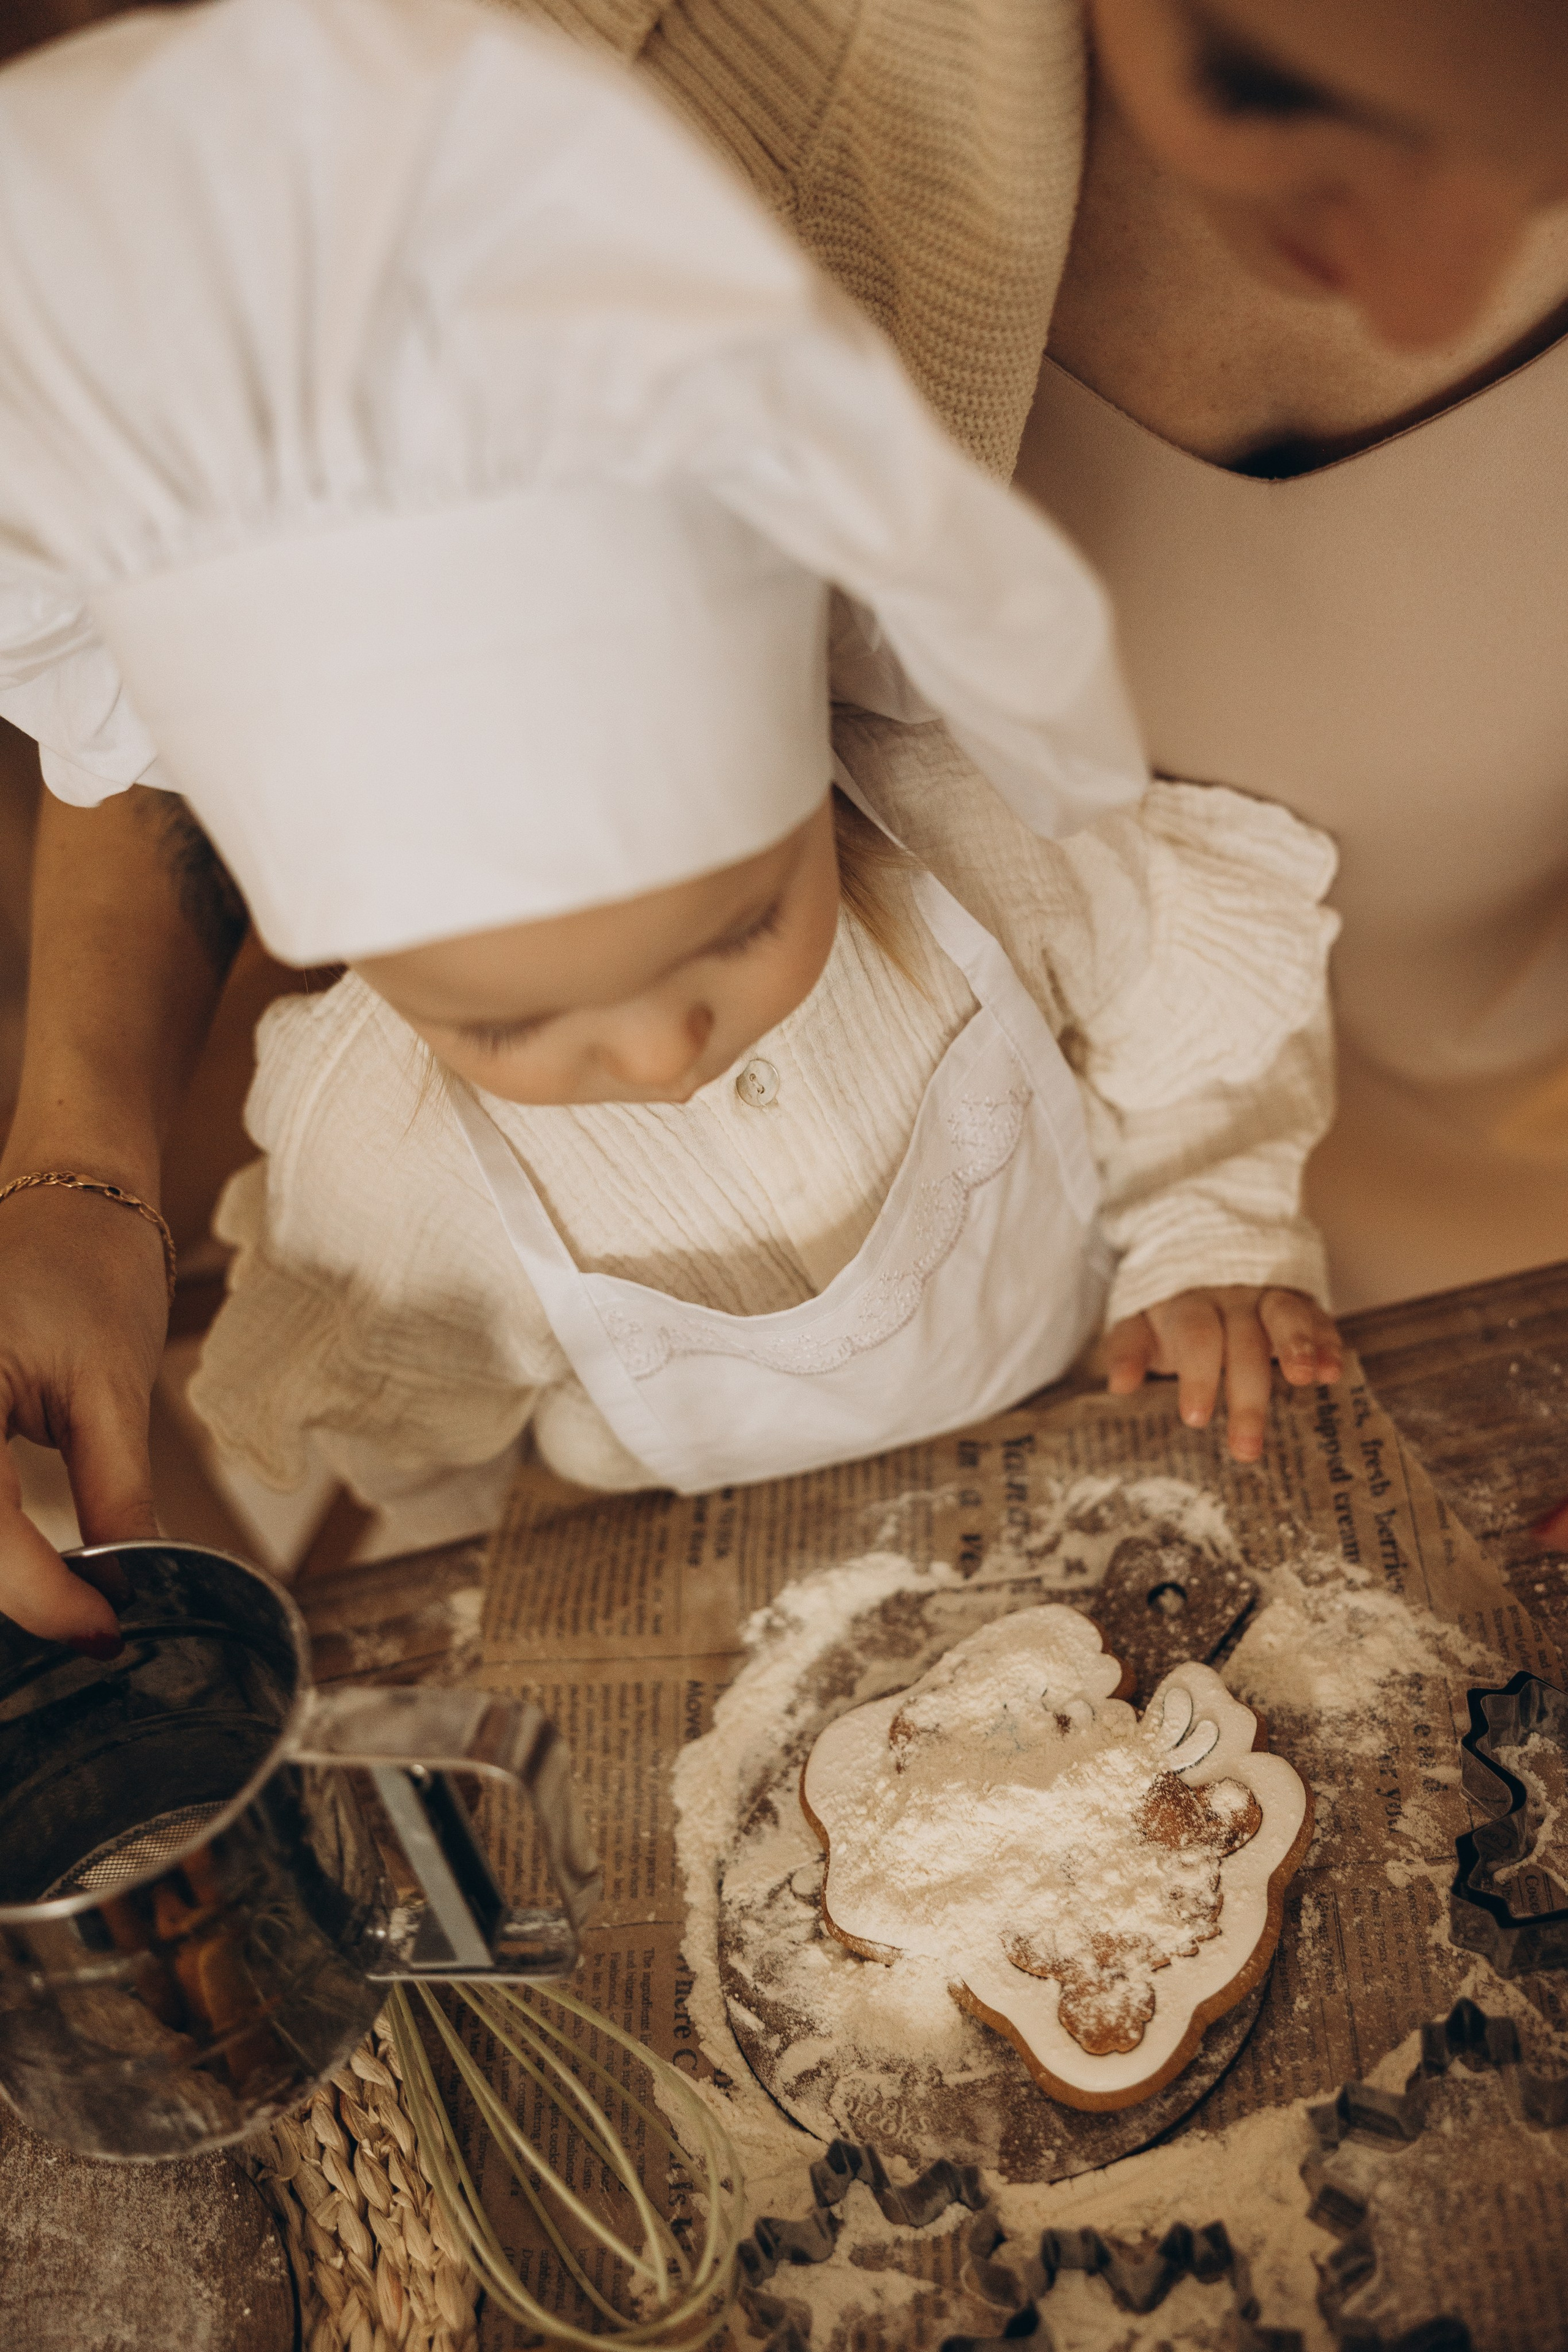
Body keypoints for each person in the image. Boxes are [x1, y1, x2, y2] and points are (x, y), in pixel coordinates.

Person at [0, 0, 1342, 1644]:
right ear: (335, 949)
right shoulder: (385, 1170)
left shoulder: (963, 843)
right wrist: (519, 1568)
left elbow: (1185, 1003)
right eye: (511, 1020)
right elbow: (404, 1439)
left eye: (738, 926)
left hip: (1086, 1403)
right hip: (712, 1586)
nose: (655, 1051)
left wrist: (1205, 1234)